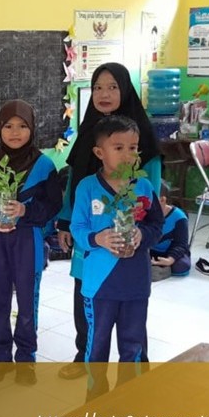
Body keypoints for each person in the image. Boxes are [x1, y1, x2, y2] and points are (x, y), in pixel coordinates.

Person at [56, 62, 162, 380]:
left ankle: (136, 368)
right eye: (98, 87)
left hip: (131, 238)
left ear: (125, 90)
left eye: (113, 87)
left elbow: (150, 192)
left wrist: (140, 228)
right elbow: (75, 180)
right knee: (87, 292)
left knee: (132, 313)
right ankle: (85, 355)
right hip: (91, 232)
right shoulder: (88, 132)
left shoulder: (141, 135)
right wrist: (65, 222)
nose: (104, 94)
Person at [70, 116, 163, 399]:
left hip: (135, 282)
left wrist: (141, 235)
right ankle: (96, 396)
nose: (127, 154)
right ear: (100, 152)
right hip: (99, 285)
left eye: (133, 148)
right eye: (118, 147)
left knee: (132, 343)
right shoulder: (87, 187)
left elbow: (156, 225)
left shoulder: (143, 187)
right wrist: (97, 238)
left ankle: (127, 397)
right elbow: (77, 227)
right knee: (97, 343)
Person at [0, 100, 62, 385]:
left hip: (28, 240)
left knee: (26, 301)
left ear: (32, 128)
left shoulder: (43, 165)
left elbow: (53, 205)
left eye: (22, 126)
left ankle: (26, 357)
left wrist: (25, 211)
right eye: (8, 126)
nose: (15, 132)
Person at [150, 180, 191, 278]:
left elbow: (181, 244)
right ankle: (154, 268)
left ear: (162, 200)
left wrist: (170, 260)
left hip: (170, 252)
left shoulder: (179, 217)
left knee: (181, 266)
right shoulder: (143, 213)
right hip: (149, 251)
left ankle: (163, 269)